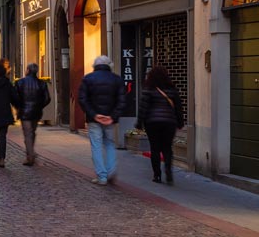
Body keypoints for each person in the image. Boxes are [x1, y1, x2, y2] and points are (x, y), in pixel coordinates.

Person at [78, 55, 126, 185]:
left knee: (96, 146)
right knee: (110, 144)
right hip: (109, 120)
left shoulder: (88, 79)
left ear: (95, 66)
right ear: (109, 65)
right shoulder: (117, 79)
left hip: (94, 120)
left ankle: (102, 176)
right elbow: (122, 101)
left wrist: (94, 115)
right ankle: (110, 172)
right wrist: (112, 117)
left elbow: (83, 99)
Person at [136, 66, 185, 184]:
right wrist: (180, 121)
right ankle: (168, 171)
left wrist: (139, 122)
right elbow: (178, 107)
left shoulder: (148, 89)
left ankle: (157, 175)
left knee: (155, 148)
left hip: (152, 123)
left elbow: (143, 107)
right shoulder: (171, 89)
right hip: (169, 122)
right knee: (167, 147)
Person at [12, 63, 51, 166]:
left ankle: (30, 156)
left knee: (28, 134)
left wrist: (18, 107)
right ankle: (31, 152)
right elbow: (47, 99)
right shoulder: (41, 83)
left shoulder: (20, 82)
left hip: (24, 112)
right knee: (32, 132)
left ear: (28, 70)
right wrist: (39, 106)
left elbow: (15, 98)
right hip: (36, 112)